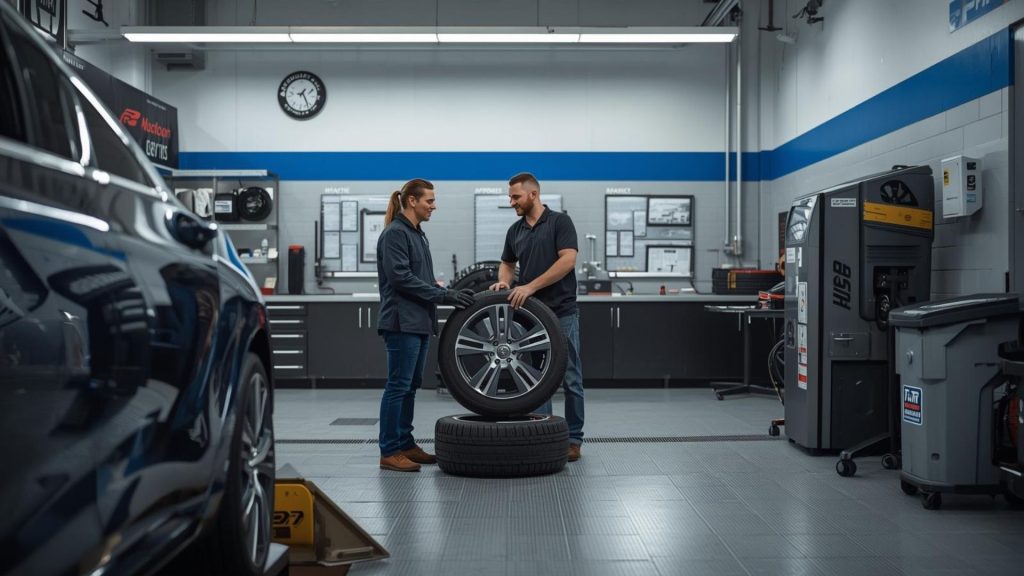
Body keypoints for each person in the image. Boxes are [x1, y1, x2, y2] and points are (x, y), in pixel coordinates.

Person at [376, 178, 475, 472]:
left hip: (418, 321)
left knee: (411, 386)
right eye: (429, 201)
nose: (434, 206)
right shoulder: (395, 233)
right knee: (398, 386)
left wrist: (440, 288)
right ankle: (389, 450)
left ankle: (405, 443)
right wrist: (444, 294)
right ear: (411, 201)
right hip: (401, 321)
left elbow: (419, 277)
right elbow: (401, 279)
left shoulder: (417, 234)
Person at [489, 172, 584, 461]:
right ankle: (544, 434)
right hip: (531, 318)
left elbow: (568, 260)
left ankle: (572, 439)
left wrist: (529, 286)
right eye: (510, 197)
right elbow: (507, 263)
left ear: (533, 194)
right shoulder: (515, 230)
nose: (511, 202)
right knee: (536, 379)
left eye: (515, 196)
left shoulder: (559, 222)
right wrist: (505, 281)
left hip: (562, 312)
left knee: (570, 378)